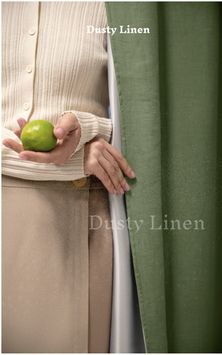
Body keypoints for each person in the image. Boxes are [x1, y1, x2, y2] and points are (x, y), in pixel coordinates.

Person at [2, 2, 135, 353]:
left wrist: (94, 134)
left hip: (77, 210)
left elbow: (146, 108)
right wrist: (79, 153)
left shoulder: (118, 11)